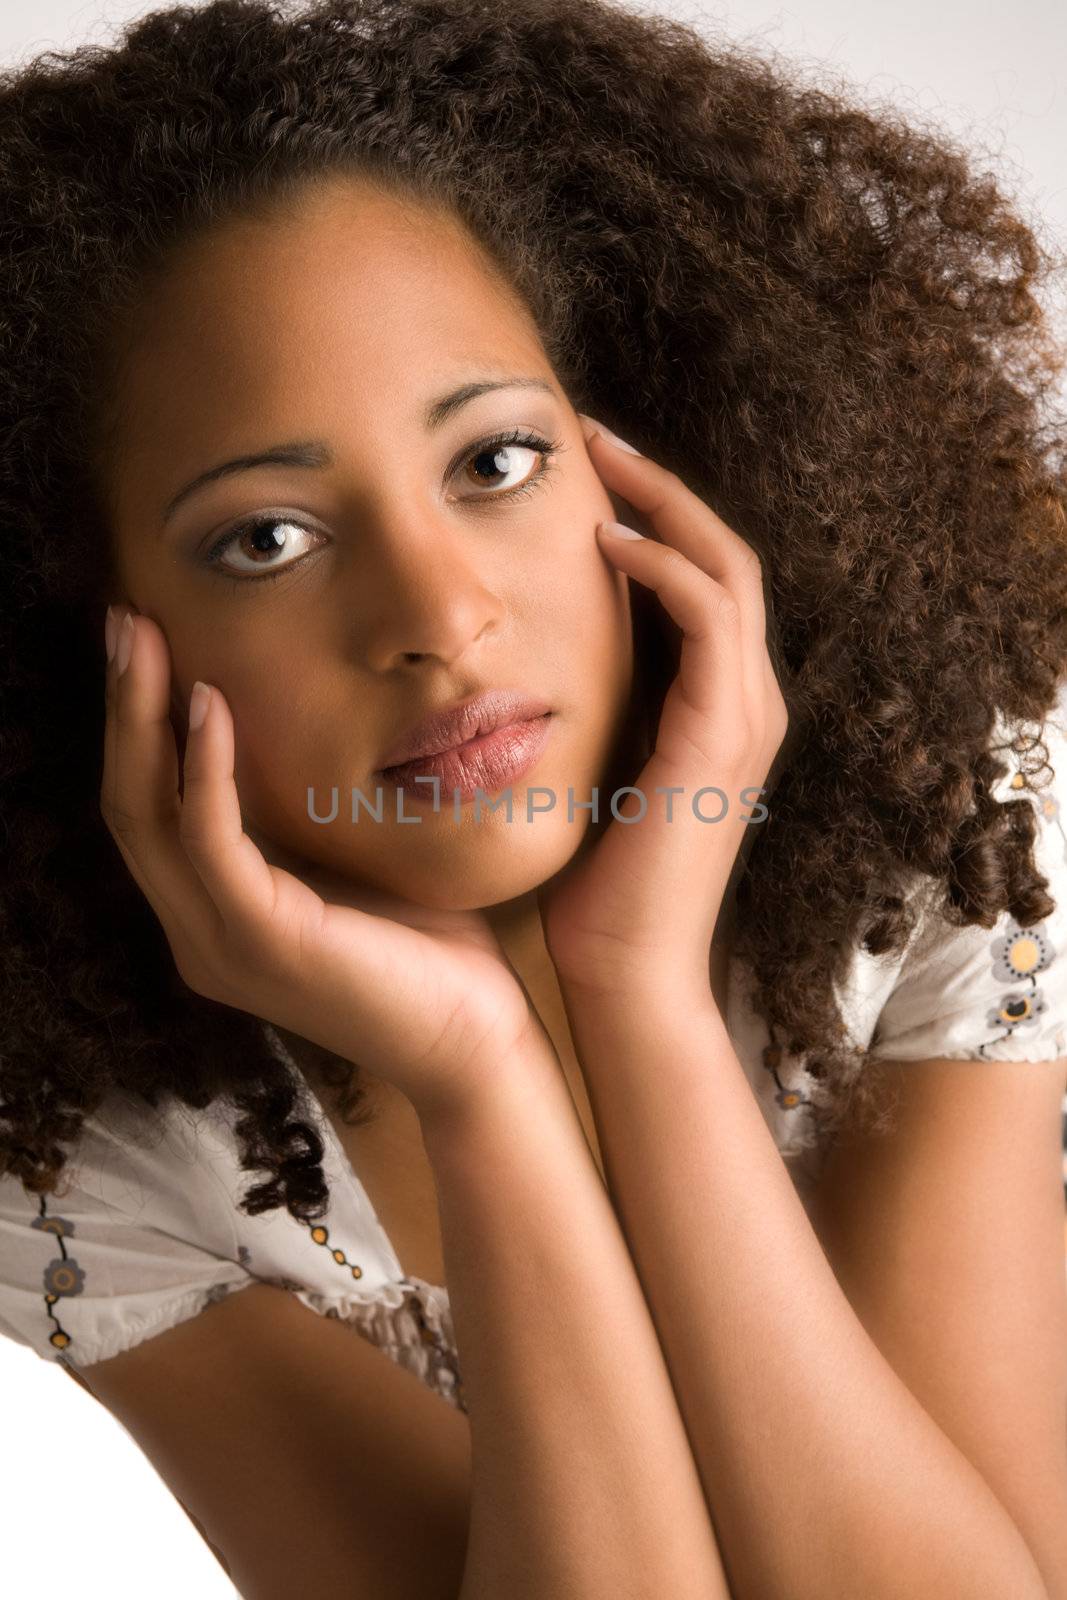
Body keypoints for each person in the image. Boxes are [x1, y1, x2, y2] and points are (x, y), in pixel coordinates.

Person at [1, 0, 1065, 1594]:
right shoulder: (97, 1156)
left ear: (637, 463)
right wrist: (481, 1082)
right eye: (267, 538)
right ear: (97, 644)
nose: (437, 614)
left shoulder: (934, 836)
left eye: (494, 463)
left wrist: (637, 996)